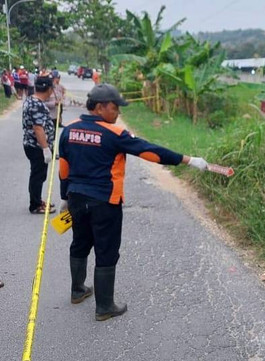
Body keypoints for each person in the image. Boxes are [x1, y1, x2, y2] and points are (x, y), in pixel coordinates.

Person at [58, 83, 210, 321]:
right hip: (105, 202)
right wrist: (188, 160)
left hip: (76, 199)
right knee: (106, 252)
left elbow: (64, 168)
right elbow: (150, 152)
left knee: (79, 243)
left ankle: (77, 291)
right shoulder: (114, 134)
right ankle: (104, 307)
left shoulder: (69, 130)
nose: (118, 113)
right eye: (115, 107)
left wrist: (64, 197)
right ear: (100, 107)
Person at [23, 76, 56, 214]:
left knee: (37, 174)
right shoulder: (38, 105)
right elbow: (38, 128)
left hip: (31, 144)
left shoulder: (31, 100)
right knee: (38, 175)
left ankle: (37, 199)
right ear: (49, 89)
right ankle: (35, 205)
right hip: (36, 146)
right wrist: (45, 149)